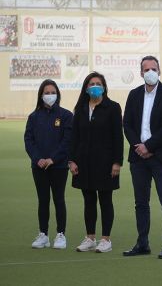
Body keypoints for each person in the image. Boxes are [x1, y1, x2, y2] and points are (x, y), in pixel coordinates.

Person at [123, 56, 162, 259]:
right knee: (141, 203)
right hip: (138, 158)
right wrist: (138, 147)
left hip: (161, 156)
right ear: (140, 73)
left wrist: (149, 146)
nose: (150, 72)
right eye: (146, 69)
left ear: (159, 71)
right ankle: (142, 243)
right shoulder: (134, 94)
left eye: (153, 68)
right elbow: (127, 124)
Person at [69, 71, 123, 253]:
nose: (95, 86)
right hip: (84, 162)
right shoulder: (81, 109)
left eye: (98, 83)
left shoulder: (113, 108)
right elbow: (74, 137)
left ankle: (106, 239)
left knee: (105, 200)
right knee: (89, 200)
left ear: (104, 87)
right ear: (85, 88)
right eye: (91, 84)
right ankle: (90, 237)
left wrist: (117, 162)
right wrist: (72, 160)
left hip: (106, 163)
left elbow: (118, 137)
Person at [24, 79, 72, 249]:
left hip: (58, 166)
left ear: (58, 94)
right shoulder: (34, 117)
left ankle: (61, 234)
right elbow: (29, 140)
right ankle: (43, 234)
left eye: (53, 92)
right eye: (46, 92)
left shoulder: (66, 116)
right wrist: (38, 159)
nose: (50, 95)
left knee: (59, 199)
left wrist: (53, 158)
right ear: (41, 95)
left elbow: (67, 141)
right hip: (39, 166)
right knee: (43, 200)